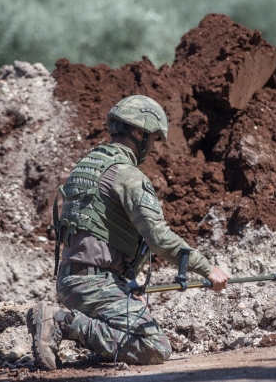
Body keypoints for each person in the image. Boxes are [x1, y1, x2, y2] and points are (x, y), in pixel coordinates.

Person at [27, 95, 229, 370]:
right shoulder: (127, 176)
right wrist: (207, 269)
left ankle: (68, 323)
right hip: (93, 284)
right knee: (155, 347)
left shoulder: (86, 166)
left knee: (136, 320)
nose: (153, 147)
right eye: (153, 138)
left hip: (72, 279)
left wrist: (127, 289)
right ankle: (64, 322)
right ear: (138, 132)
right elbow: (159, 239)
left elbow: (101, 234)